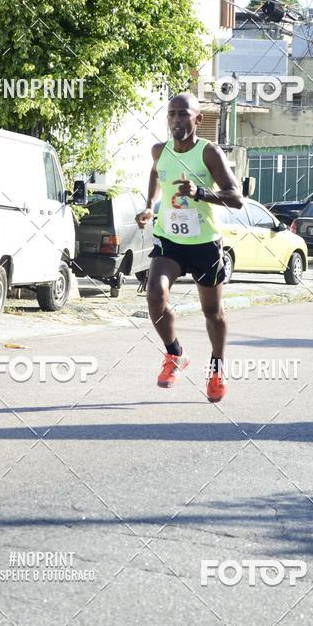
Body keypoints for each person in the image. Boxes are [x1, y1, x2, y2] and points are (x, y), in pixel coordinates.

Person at [136, 93, 242, 402]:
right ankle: (175, 354)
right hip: (170, 242)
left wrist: (201, 193)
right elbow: (157, 172)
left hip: (205, 244)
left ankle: (217, 369)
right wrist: (149, 206)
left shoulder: (209, 153)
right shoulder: (159, 150)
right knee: (155, 294)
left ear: (198, 119)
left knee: (213, 311)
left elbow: (236, 198)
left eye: (183, 114)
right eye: (171, 114)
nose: (176, 120)